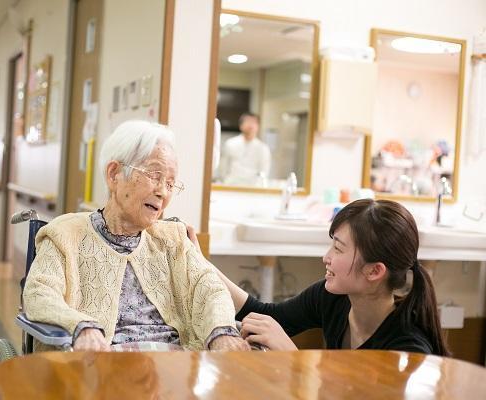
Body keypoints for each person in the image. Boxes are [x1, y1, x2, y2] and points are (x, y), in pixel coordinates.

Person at [23, 120, 249, 352]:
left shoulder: (173, 239)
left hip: (176, 367)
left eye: (171, 184)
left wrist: (221, 332)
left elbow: (210, 289)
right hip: (102, 366)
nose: (163, 192)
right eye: (154, 175)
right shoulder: (65, 234)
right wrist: (81, 326)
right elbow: (39, 293)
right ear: (114, 175)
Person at [211, 199, 449, 355]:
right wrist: (198, 261)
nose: (326, 257)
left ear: (375, 271)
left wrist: (291, 355)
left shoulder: (408, 350)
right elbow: (267, 315)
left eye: (338, 248)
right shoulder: (333, 298)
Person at [218, 112, 271, 186]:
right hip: (231, 185)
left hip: (253, 187)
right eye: (248, 121)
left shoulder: (263, 148)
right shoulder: (230, 144)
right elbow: (223, 167)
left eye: (254, 122)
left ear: (258, 126)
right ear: (241, 125)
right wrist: (225, 181)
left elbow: (264, 171)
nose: (251, 125)